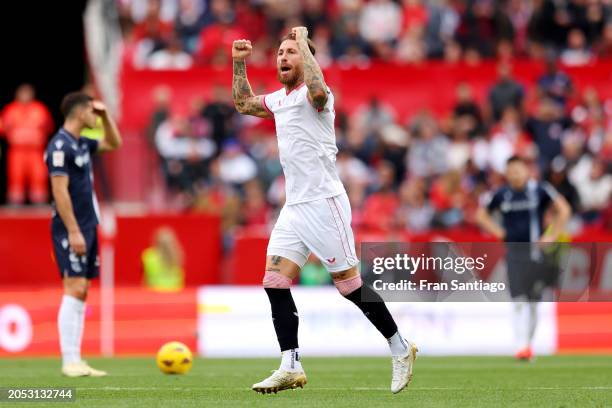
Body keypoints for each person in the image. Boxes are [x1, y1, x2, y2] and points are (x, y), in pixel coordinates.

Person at [231, 27, 417, 395]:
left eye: (292, 52)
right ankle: (290, 364)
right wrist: (238, 64)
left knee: (349, 286)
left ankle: (400, 347)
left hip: (324, 202)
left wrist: (305, 43)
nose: (283, 57)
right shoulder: (281, 101)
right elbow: (243, 103)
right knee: (274, 280)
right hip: (295, 206)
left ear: (308, 58)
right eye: (280, 52)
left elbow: (317, 89)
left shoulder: (319, 95)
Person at [45, 92, 122, 376]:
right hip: (71, 227)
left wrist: (104, 116)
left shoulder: (81, 144)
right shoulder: (60, 145)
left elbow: (114, 142)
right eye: (92, 112)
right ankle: (69, 361)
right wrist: (74, 230)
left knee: (83, 289)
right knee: (74, 286)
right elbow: (58, 190)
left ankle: (76, 359)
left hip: (89, 225)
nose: (95, 116)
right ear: (79, 113)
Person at [476, 156, 570, 361]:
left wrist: (552, 236)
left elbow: (563, 210)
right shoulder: (501, 194)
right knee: (518, 299)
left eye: (518, 170)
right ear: (507, 174)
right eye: (511, 171)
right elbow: (481, 215)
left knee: (534, 302)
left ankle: (528, 343)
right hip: (515, 254)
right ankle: (521, 346)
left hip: (537, 253)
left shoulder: (540, 190)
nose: (515, 175)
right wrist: (498, 232)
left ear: (527, 171)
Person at [0, 84, 53, 204]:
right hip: (17, 151)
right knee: (16, 175)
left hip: (35, 151)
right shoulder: (10, 110)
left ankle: (39, 202)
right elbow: (2, 128)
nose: (25, 96)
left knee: (38, 175)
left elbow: (48, 127)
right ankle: (15, 202)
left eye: (27, 93)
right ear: (17, 95)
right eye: (23, 93)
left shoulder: (40, 109)